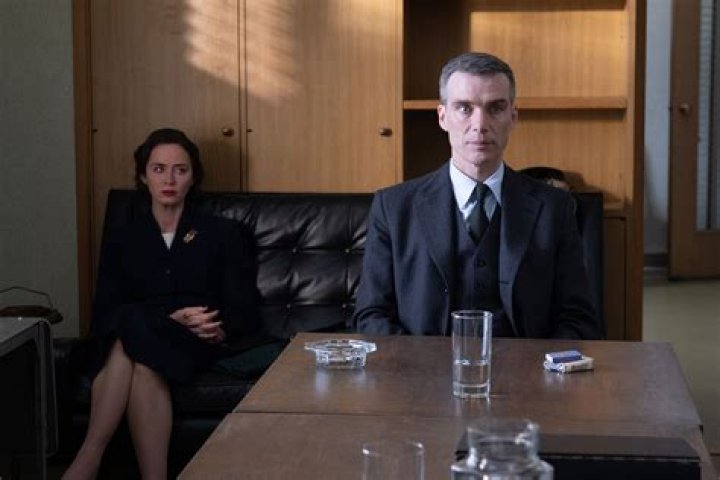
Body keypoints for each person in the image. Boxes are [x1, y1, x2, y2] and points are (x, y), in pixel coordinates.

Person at [353, 52, 601, 339]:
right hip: (424, 366)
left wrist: (538, 365)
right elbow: (371, 315)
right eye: (464, 108)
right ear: (442, 117)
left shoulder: (554, 208)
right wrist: (419, 363)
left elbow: (578, 319)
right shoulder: (394, 208)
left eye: (495, 108)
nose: (480, 124)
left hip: (527, 366)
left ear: (513, 117)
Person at [63, 128, 259, 480]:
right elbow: (106, 310)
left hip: (196, 339)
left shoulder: (222, 233)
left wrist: (210, 326)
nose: (169, 180)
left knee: (130, 336)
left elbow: (242, 306)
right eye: (158, 169)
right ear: (143, 176)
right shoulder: (124, 237)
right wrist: (169, 318)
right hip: (141, 339)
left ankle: (87, 460)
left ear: (193, 177)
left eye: (180, 170)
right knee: (139, 354)